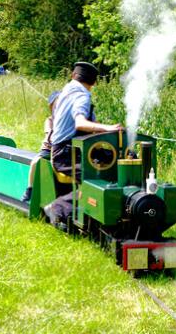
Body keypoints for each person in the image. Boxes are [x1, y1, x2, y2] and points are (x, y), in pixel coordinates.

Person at [44, 61, 122, 229]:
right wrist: (108, 128)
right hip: (67, 154)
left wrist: (101, 130)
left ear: (73, 75)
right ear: (94, 83)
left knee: (109, 163)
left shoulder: (66, 90)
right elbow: (80, 123)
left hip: (65, 150)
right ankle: (57, 209)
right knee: (100, 181)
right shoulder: (82, 95)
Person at [20, 90, 61, 202]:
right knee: (35, 162)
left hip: (60, 149)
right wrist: (51, 135)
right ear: (51, 107)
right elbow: (49, 133)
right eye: (56, 106)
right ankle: (30, 188)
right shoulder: (50, 120)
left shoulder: (66, 120)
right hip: (48, 148)